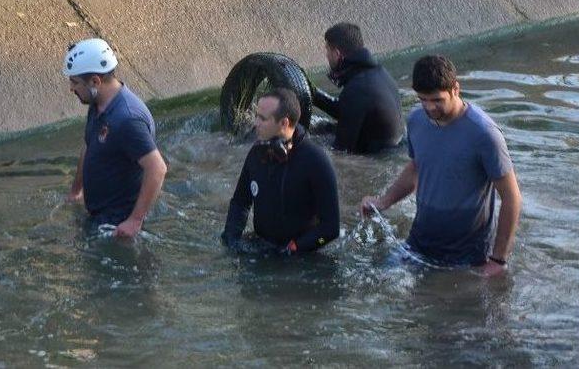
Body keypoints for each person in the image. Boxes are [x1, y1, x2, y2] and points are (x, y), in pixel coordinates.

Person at [361, 55, 522, 276]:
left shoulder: (484, 134)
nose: (430, 107)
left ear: (456, 89)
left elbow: (512, 198)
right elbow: (417, 167)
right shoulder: (417, 120)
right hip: (419, 242)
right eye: (423, 99)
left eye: (437, 100)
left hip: (467, 256)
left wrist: (498, 259)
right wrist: (383, 202)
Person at [63, 38, 167, 238]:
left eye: (75, 82)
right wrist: (77, 190)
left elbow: (157, 168)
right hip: (98, 215)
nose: (71, 88)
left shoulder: (127, 119)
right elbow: (89, 145)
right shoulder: (97, 103)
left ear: (95, 81)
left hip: (118, 225)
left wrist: (134, 221)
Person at [222, 88, 340, 254]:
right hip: (261, 247)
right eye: (256, 116)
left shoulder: (316, 161)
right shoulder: (257, 152)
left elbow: (331, 229)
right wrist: (231, 240)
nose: (255, 123)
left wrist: (297, 247)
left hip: (300, 258)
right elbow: (240, 202)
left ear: (284, 123)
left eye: (262, 119)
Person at [313, 22, 404, 154]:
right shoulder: (379, 73)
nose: (327, 55)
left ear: (337, 54)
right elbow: (347, 109)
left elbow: (341, 151)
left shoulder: (358, 89)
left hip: (376, 160)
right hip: (393, 145)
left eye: (328, 50)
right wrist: (312, 93)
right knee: (323, 128)